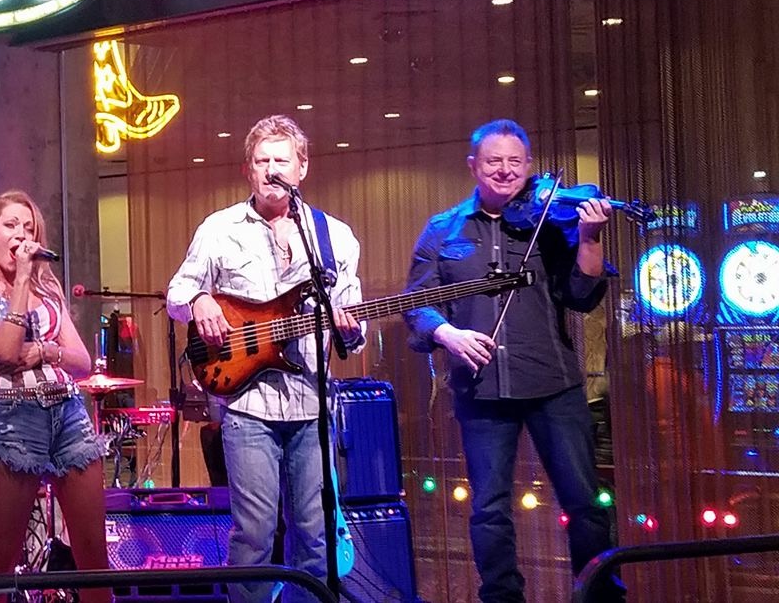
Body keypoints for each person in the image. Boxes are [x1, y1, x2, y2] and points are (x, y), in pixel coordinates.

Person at [403, 119, 623, 602]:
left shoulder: (552, 223)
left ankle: (602, 597)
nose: (504, 170)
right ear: (473, 166)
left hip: (553, 383)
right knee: (489, 509)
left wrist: (589, 238)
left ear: (528, 165)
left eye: (514, 162)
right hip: (481, 388)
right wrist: (449, 334)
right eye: (493, 161)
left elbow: (582, 296)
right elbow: (416, 304)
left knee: (584, 503)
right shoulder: (442, 229)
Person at [167, 114, 364, 603]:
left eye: (281, 160)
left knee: (315, 533)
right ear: (247, 170)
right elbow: (177, 291)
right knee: (253, 533)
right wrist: (199, 300)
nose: (272, 169)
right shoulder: (219, 228)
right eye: (262, 161)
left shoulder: (333, 236)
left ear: (302, 168)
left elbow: (352, 325)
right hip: (248, 406)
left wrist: (351, 328)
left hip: (312, 405)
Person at [0, 190, 110, 603]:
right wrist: (20, 280)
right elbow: (5, 347)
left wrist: (46, 351)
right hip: (14, 417)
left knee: (94, 558)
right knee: (0, 562)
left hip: (68, 412)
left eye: (29, 227)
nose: (22, 234)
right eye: (11, 225)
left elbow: (81, 361)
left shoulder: (48, 287)